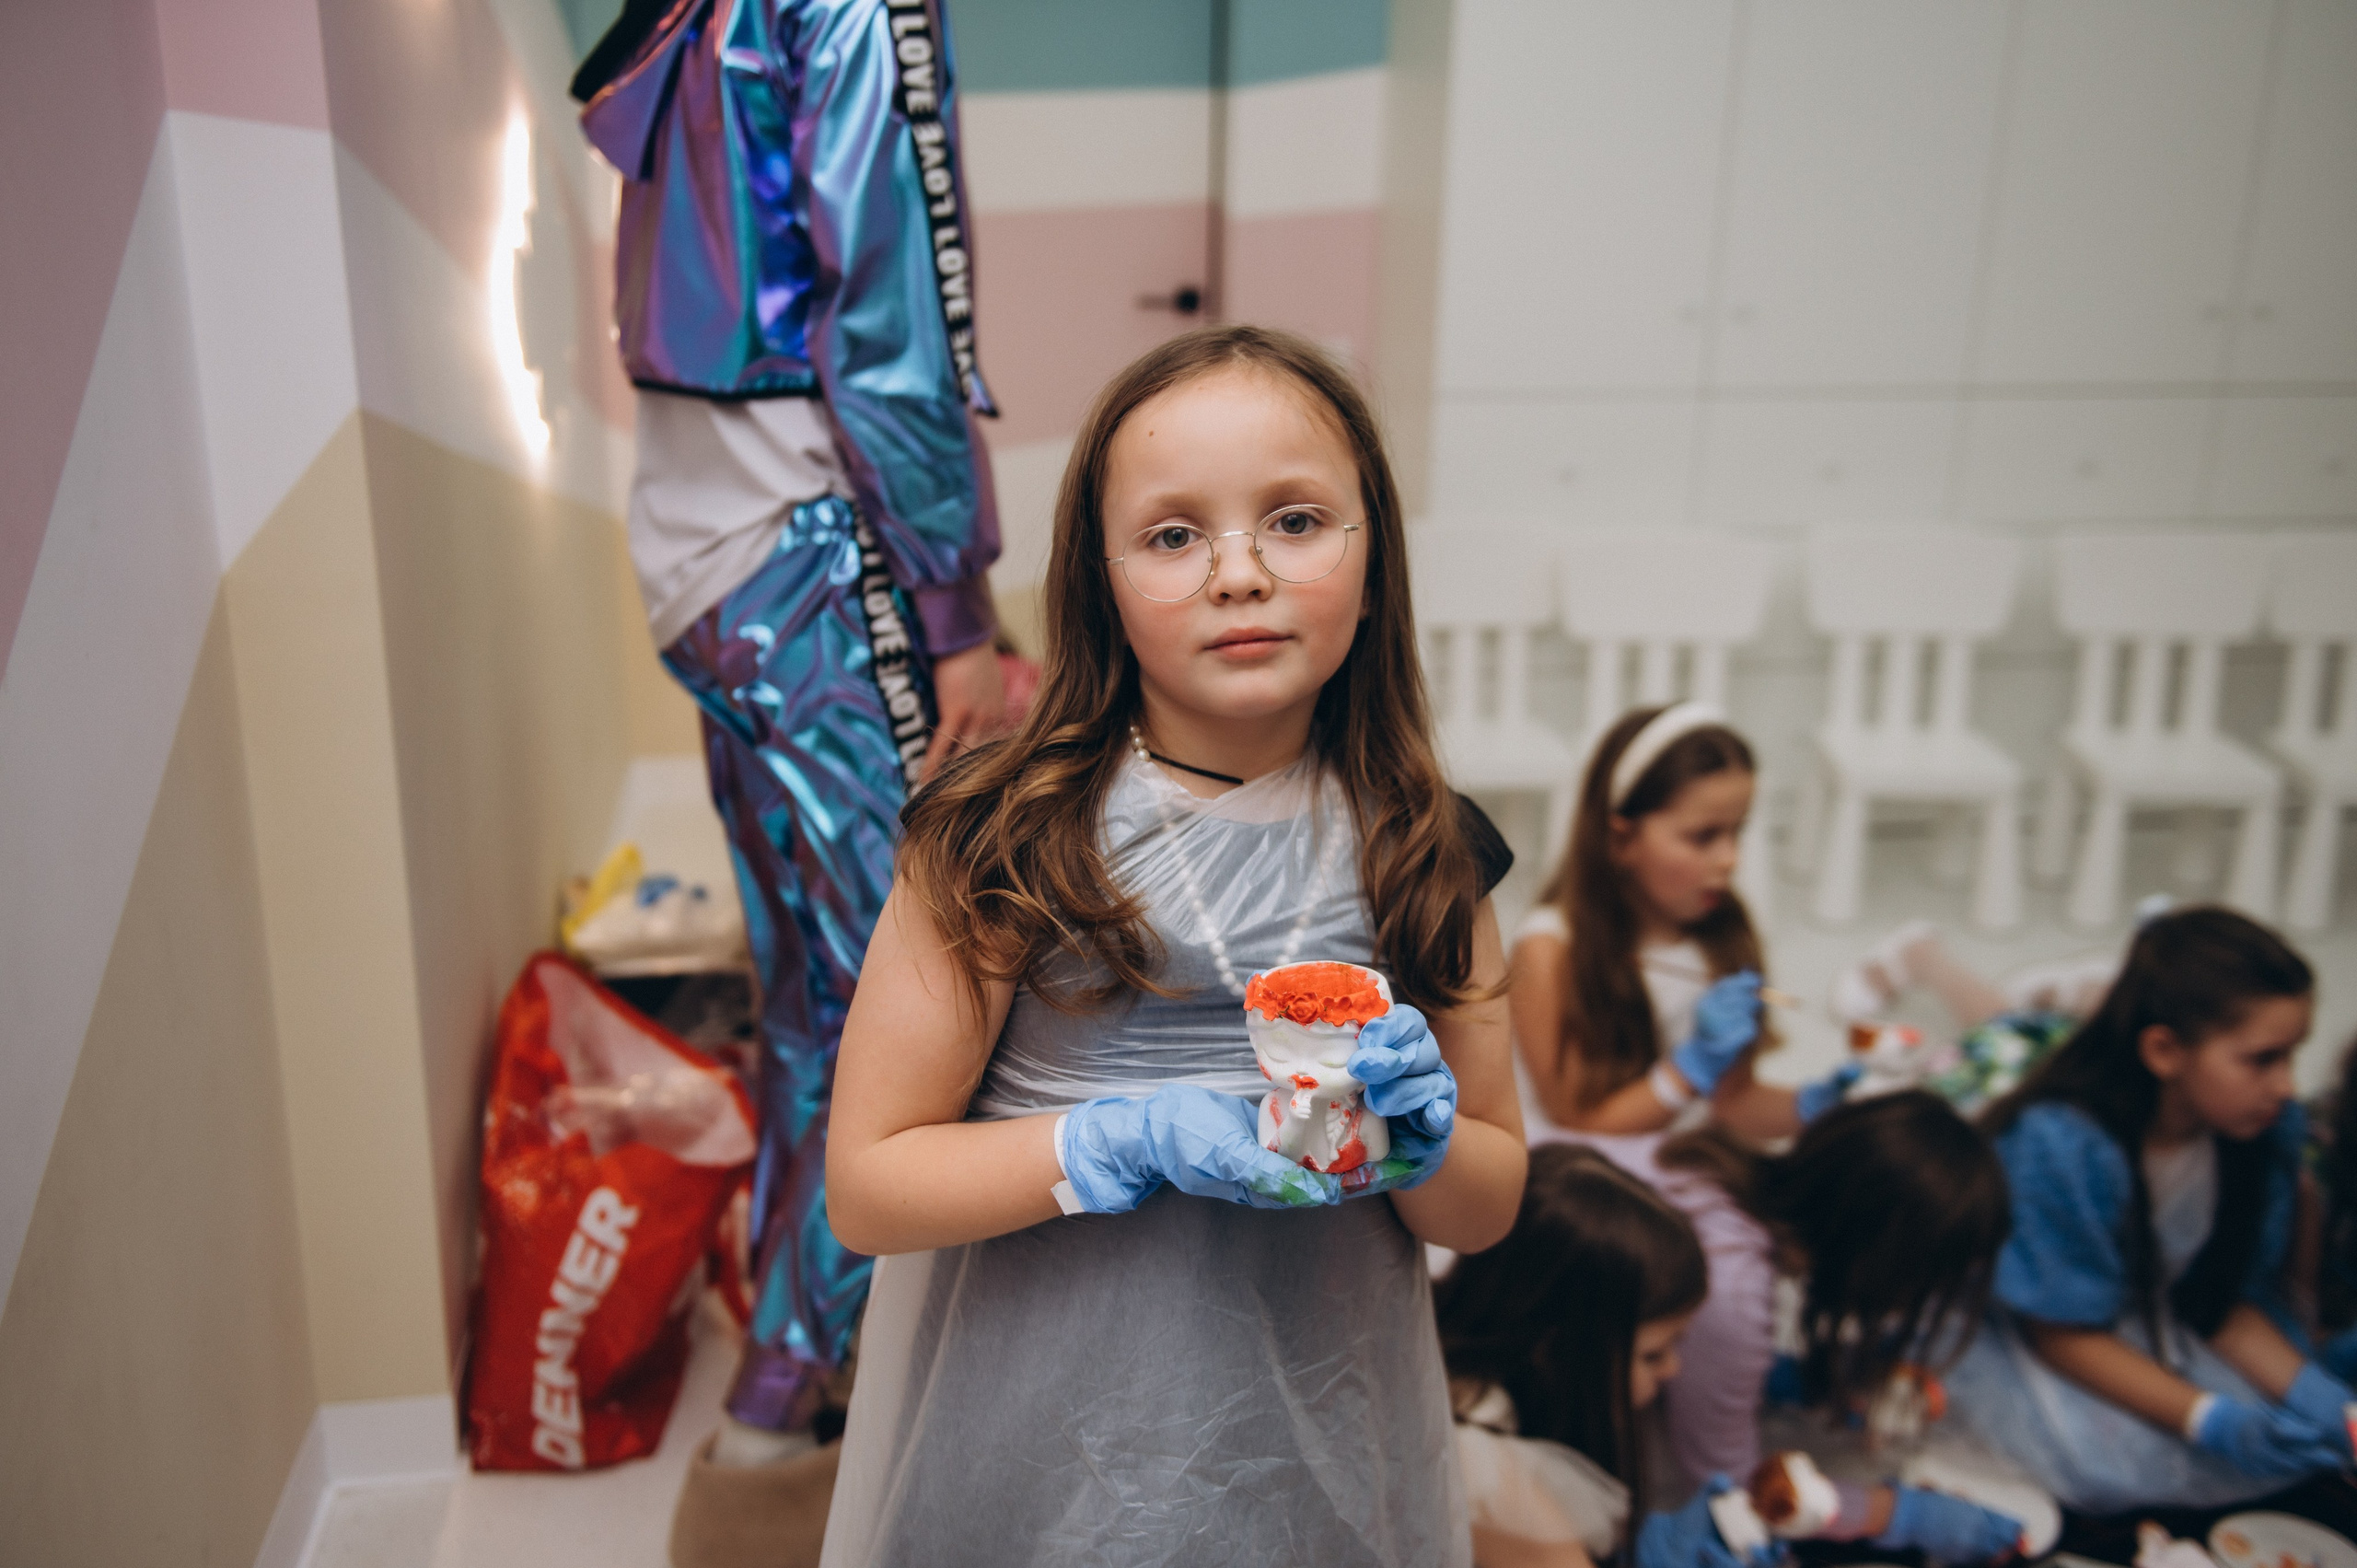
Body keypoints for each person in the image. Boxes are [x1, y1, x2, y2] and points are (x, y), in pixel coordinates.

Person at [818, 325, 1529, 1564]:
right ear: (1098, 584)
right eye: (1172, 535)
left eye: (1294, 521)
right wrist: (1116, 1136)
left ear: (1375, 562)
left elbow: (1489, 1200)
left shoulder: (1425, 848)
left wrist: (1425, 1145)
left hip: (1319, 1456)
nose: (1238, 572)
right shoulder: (1001, 839)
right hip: (1042, 1455)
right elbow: (868, 1189)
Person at [570, 0, 1005, 1555]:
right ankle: (796, 1424)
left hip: (706, 559)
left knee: (819, 1000)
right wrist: (957, 609)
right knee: (918, 1006)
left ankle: (786, 1396)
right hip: (816, 553)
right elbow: (892, 319)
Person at [1439, 1143, 2017, 1568]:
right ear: (1559, 1350)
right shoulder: (1502, 1489)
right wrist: (1897, 1515)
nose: (1676, 1370)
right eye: (1655, 1355)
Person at [1945, 906, 2351, 1515]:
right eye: (2262, 1059)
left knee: (2292, 1436)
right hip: (2051, 1328)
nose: (2287, 1086)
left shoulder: (2258, 1132)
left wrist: (2332, 1406)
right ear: (2164, 1051)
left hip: (2147, 1317)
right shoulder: (2060, 1149)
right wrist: (2211, 1420)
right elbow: (2059, 1331)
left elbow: (2219, 1301)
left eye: (2293, 1056)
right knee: (2109, 1462)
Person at [1643, 1094, 2017, 1562]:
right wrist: (1899, 1514)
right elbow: (1737, 1500)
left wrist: (1783, 1378)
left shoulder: (1713, 1166)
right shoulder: (1728, 1290)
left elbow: (1703, 1357)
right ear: (1880, 1261)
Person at [1510, 705, 1854, 1144]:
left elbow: (1733, 1103)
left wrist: (1821, 1108)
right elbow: (1577, 1122)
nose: (1730, 859)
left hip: (1683, 1155)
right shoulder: (1547, 951)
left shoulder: (1725, 929)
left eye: (1737, 832)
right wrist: (1688, 1071)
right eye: (1703, 836)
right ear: (1621, 839)